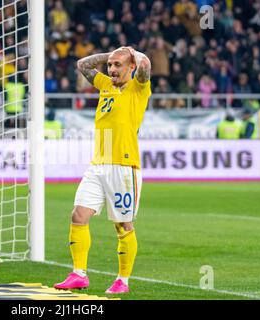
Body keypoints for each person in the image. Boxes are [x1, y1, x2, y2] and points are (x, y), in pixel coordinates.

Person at [54, 46, 152, 294]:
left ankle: (123, 280)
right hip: (97, 165)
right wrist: (111, 54)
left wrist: (133, 53)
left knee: (123, 226)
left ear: (131, 67)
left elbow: (146, 66)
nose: (112, 69)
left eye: (118, 65)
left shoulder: (138, 88)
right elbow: (82, 64)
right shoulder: (106, 85)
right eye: (110, 65)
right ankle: (78, 274)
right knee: (78, 215)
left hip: (124, 166)